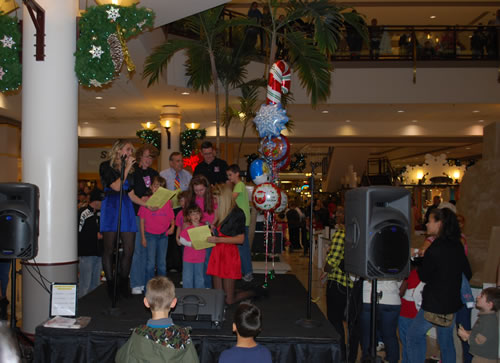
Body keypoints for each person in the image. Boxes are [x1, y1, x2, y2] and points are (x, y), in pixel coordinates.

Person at [407, 208, 472, 363]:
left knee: (413, 336)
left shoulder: (434, 248)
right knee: (446, 342)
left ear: (439, 223)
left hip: (434, 303)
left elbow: (424, 276)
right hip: (452, 303)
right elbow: (467, 272)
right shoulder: (456, 245)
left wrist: (419, 261)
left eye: (430, 221)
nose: (427, 224)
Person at [99, 140, 152, 299]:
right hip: (111, 205)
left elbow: (130, 193)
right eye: (129, 149)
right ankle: (110, 284)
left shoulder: (132, 171)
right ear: (118, 150)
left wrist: (146, 205)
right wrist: (127, 167)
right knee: (109, 249)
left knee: (129, 249)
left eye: (132, 150)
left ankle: (122, 283)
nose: (131, 153)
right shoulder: (106, 166)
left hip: (126, 206)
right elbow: (116, 186)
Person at [115, 276, 199, 363]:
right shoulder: (183, 336)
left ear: (146, 302)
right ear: (173, 303)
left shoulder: (138, 334)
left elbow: (121, 358)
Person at [320, 206, 361, 363]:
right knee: (353, 324)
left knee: (335, 321)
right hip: (355, 285)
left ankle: (340, 354)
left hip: (338, 283)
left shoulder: (341, 234)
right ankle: (351, 357)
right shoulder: (359, 234)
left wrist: (325, 269)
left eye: (339, 213)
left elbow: (333, 258)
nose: (336, 215)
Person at [207, 184, 255, 305]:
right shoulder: (221, 210)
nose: (214, 202)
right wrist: (212, 228)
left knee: (229, 300)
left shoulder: (238, 213)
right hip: (217, 252)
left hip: (229, 253)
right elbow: (216, 228)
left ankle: (252, 293)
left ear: (224, 198)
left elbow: (240, 239)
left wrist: (218, 240)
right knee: (218, 296)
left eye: (216, 199)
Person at [130, 144, 159, 295]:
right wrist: (144, 198)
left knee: (149, 251)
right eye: (147, 156)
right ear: (140, 155)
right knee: (138, 249)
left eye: (151, 157)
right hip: (136, 214)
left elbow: (158, 189)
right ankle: (136, 282)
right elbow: (132, 193)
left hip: (151, 215)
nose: (149, 159)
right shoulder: (133, 171)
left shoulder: (154, 173)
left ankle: (147, 283)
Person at [138, 176, 175, 284]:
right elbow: (142, 220)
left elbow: (171, 217)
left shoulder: (167, 202)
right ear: (151, 187)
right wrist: (143, 237)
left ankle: (163, 288)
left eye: (161, 187)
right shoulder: (146, 202)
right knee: (150, 263)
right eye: (155, 186)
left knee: (162, 264)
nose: (158, 189)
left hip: (163, 235)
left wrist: (172, 227)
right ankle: (149, 288)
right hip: (150, 235)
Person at [360, 279, 401, 363]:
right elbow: (400, 279)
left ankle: (367, 359)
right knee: (390, 336)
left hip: (368, 297)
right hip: (392, 298)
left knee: (367, 335)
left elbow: (353, 277)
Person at [187, 175, 217, 288]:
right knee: (197, 260)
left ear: (207, 188)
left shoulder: (212, 198)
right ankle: (199, 285)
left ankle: (207, 285)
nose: (199, 192)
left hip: (209, 230)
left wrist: (213, 224)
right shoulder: (192, 199)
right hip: (196, 231)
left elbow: (217, 214)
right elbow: (187, 216)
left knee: (207, 260)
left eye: (201, 190)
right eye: (196, 190)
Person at [458, 287, 500, 363]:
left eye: (481, 296)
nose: (477, 297)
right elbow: (479, 332)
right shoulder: (485, 316)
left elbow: (480, 340)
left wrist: (467, 336)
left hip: (485, 358)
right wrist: (468, 332)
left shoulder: (489, 321)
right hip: (482, 356)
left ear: (489, 304)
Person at [227, 164, 253, 282]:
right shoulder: (239, 185)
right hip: (242, 219)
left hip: (242, 220)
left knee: (243, 248)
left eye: (230, 175)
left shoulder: (239, 185)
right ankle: (245, 271)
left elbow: (231, 199)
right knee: (242, 248)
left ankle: (247, 272)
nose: (229, 177)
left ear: (237, 173)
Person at [78, 188, 104, 298]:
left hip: (98, 253)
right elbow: (78, 232)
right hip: (86, 254)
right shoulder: (83, 213)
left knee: (96, 284)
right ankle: (82, 308)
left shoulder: (101, 214)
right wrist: (95, 236)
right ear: (96, 201)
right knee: (85, 284)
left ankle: (92, 308)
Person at [178, 205, 206, 288]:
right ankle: (187, 293)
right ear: (189, 217)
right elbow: (181, 240)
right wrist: (190, 244)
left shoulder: (204, 227)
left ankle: (200, 293)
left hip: (200, 256)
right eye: (193, 214)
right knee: (187, 277)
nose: (195, 216)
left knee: (199, 276)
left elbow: (207, 239)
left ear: (200, 215)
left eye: (197, 213)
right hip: (188, 257)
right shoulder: (187, 228)